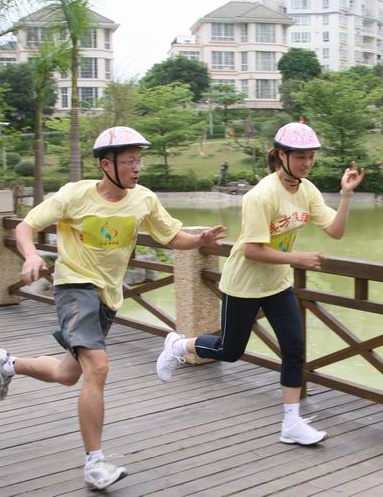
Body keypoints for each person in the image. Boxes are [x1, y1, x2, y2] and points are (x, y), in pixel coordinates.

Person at [0, 126, 227, 490]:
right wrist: (32, 255)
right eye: (129, 161)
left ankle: (9, 364)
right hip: (74, 287)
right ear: (106, 164)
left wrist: (199, 239)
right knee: (97, 367)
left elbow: (171, 236)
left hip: (108, 297)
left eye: (138, 160)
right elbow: (25, 226)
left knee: (68, 374)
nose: (137, 167)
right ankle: (94, 463)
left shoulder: (144, 199)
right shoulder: (74, 195)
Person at [155, 122, 365, 446]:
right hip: (243, 284)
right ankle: (178, 346)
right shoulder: (261, 195)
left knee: (294, 348)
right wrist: (297, 258)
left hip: (278, 284)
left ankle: (291, 423)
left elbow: (335, 231)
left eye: (311, 157)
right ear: (281, 155)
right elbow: (253, 250)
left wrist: (347, 194)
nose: (307, 163)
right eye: (301, 157)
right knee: (230, 350)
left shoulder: (307, 191)